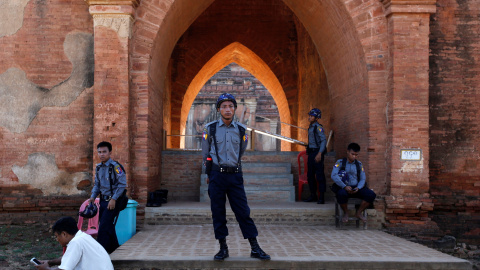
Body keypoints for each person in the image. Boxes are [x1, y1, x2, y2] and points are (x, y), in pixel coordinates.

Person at [202, 93, 270, 261]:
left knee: (243, 212)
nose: (227, 109)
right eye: (224, 106)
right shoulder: (209, 129)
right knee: (218, 212)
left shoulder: (241, 130)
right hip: (217, 175)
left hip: (235, 176)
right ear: (219, 109)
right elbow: (205, 154)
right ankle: (223, 248)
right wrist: (209, 173)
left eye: (231, 106)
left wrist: (235, 169)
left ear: (234, 109)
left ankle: (255, 247)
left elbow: (241, 151)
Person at [88, 141, 127, 254]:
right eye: (99, 152)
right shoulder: (99, 167)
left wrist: (113, 199)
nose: (102, 154)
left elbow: (122, 184)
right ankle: (115, 249)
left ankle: (100, 253)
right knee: (108, 226)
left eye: (104, 152)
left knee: (103, 227)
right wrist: (92, 196)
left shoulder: (116, 167)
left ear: (110, 152)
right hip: (103, 201)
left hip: (114, 201)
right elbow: (97, 185)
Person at [35, 216, 114, 270]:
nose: (57, 239)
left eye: (57, 236)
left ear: (64, 234)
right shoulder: (82, 237)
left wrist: (45, 269)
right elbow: (69, 258)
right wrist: (49, 262)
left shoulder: (75, 242)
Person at [330, 143, 376, 223]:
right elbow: (334, 175)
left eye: (356, 155)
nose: (354, 156)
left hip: (356, 188)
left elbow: (363, 178)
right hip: (344, 188)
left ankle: (358, 212)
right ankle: (346, 213)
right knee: (341, 194)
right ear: (347, 152)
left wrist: (358, 187)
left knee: (371, 194)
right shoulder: (340, 162)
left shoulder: (359, 164)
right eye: (352, 154)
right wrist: (344, 186)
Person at [303, 108, 327, 204]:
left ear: (316, 118)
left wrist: (320, 153)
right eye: (310, 115)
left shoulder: (318, 127)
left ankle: (321, 197)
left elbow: (323, 141)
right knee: (310, 175)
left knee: (320, 176)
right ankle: (313, 195)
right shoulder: (311, 127)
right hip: (311, 153)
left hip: (317, 153)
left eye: (312, 116)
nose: (310, 117)